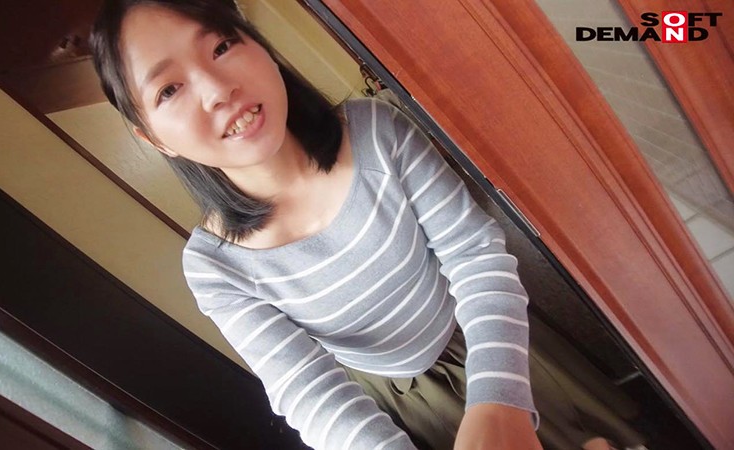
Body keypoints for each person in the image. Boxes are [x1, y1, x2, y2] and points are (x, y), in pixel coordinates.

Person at [90, 1, 542, 448]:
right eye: (169, 90)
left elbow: (475, 254)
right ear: (154, 139)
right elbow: (307, 392)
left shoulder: (377, 130)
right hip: (406, 402)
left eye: (222, 46)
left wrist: (500, 396)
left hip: (493, 333)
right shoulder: (214, 269)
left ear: (258, 44)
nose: (217, 90)